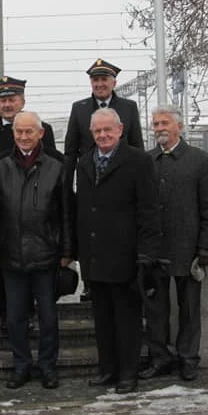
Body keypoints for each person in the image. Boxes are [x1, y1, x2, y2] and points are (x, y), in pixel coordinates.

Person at [76, 107, 159, 394]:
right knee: (102, 319)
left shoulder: (138, 161)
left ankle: (128, 372)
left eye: (107, 129)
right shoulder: (85, 162)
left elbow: (149, 211)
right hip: (95, 255)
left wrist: (145, 254)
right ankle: (107, 369)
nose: (102, 135)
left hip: (126, 256)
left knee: (127, 320)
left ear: (120, 130)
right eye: (97, 131)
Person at [0, 111, 73, 389]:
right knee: (15, 317)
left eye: (29, 132)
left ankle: (48, 366)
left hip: (46, 254)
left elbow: (65, 214)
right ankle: (21, 365)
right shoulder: (0, 166)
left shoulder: (55, 166)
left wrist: (66, 250)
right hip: (11, 255)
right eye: (19, 132)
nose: (23, 137)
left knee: (48, 317)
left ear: (41, 134)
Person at [139, 105, 208, 382]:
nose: (159, 128)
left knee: (189, 309)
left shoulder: (200, 160)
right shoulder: (146, 161)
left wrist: (206, 249)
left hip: (189, 249)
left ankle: (188, 358)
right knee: (155, 310)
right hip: (154, 252)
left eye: (164, 123)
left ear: (179, 126)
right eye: (155, 123)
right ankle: (159, 357)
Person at [64, 59, 144, 302]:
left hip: (122, 181)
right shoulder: (79, 108)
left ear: (113, 82)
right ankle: (90, 282)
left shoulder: (128, 108)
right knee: (91, 231)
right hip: (91, 181)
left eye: (104, 79)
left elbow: (137, 145)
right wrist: (67, 185)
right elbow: (70, 150)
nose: (99, 84)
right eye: (95, 80)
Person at [0, 76, 60, 159]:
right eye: (3, 101)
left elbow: (52, 163)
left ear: (23, 102)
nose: (7, 105)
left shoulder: (41, 129)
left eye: (11, 100)